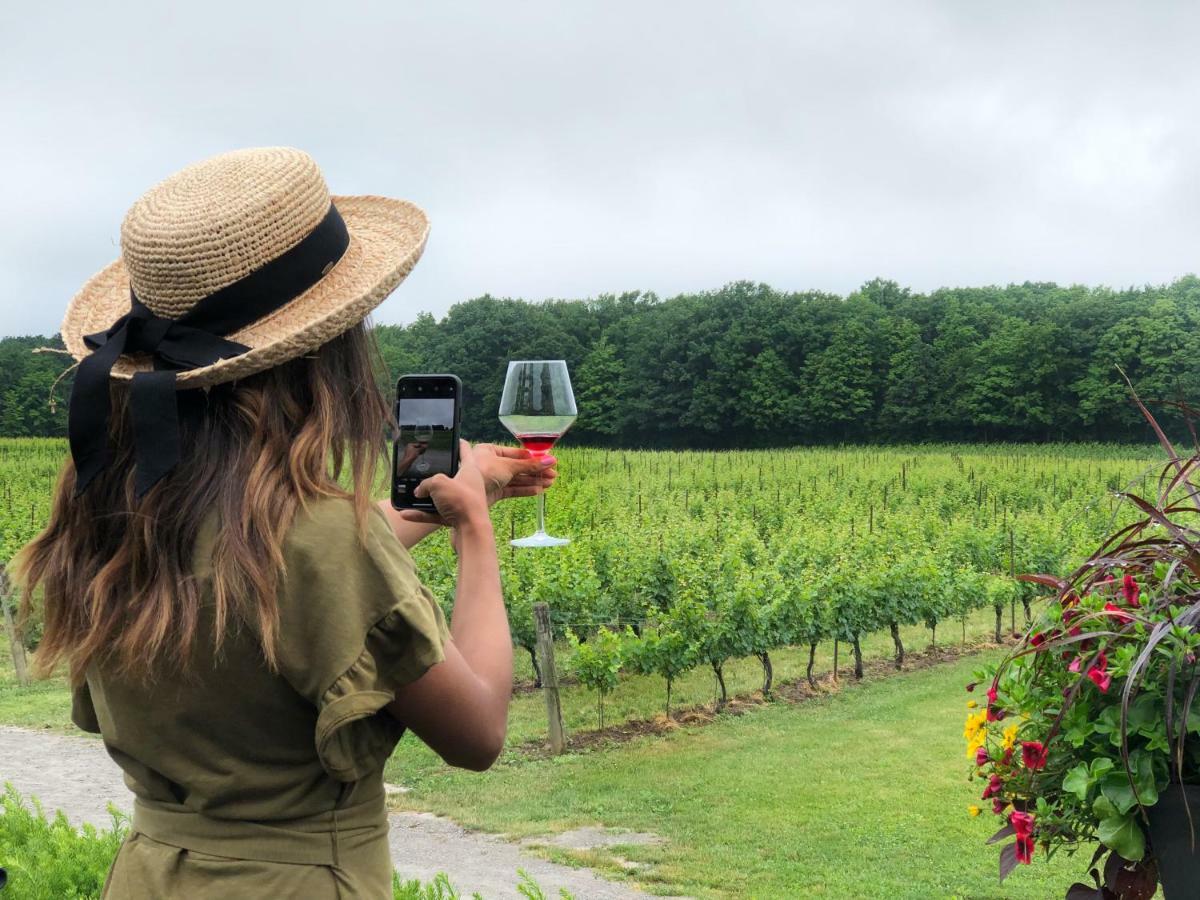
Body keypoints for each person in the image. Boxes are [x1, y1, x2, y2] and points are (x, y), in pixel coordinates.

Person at [14, 147, 557, 898]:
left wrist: (426, 508)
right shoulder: (322, 537)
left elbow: (271, 571)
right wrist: (474, 530)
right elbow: (477, 733)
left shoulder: (116, 507)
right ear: (324, 353)